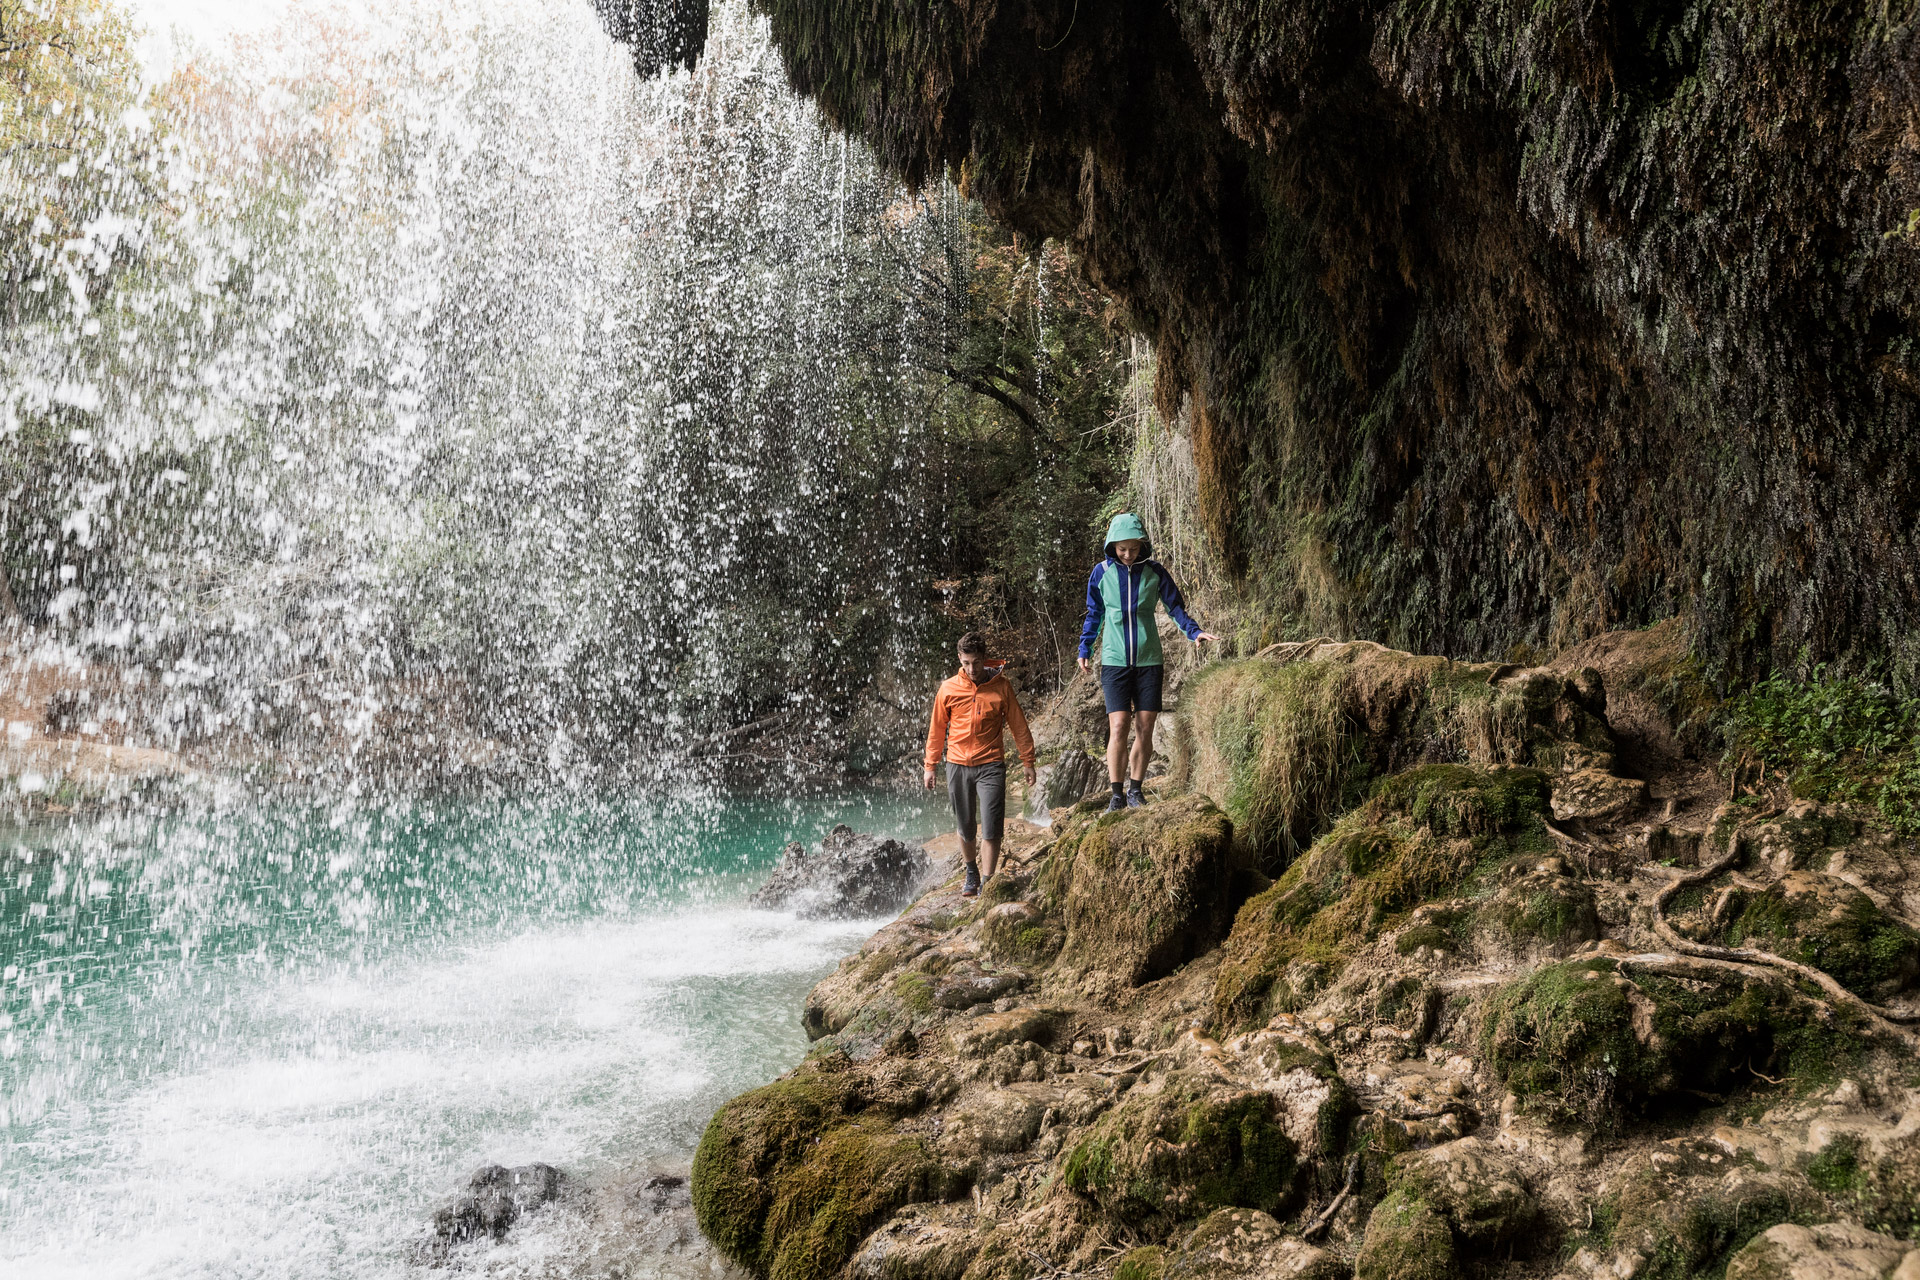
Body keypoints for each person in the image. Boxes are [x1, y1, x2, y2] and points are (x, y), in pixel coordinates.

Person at [1077, 512, 1218, 811]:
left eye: (1133, 548)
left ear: (1142, 545)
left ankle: (1135, 791)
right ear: (1112, 546)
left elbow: (1175, 607)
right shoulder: (1101, 572)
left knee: (1145, 726)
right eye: (1122, 548)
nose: (1128, 554)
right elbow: (1094, 614)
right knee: (1118, 727)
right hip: (1114, 660)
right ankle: (1116, 793)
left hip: (1149, 661)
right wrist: (1085, 648)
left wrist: (1194, 632)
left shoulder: (1155, 572)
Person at [925, 632, 1038, 898]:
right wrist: (930, 765)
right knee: (965, 825)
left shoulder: (1002, 687)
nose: (971, 669)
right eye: (966, 663)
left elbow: (1018, 725)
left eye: (976, 662)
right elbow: (937, 729)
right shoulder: (949, 688)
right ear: (959, 660)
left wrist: (1028, 761)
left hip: (991, 763)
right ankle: (971, 871)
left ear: (984, 659)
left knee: (991, 824)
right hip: (957, 763)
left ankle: (988, 882)